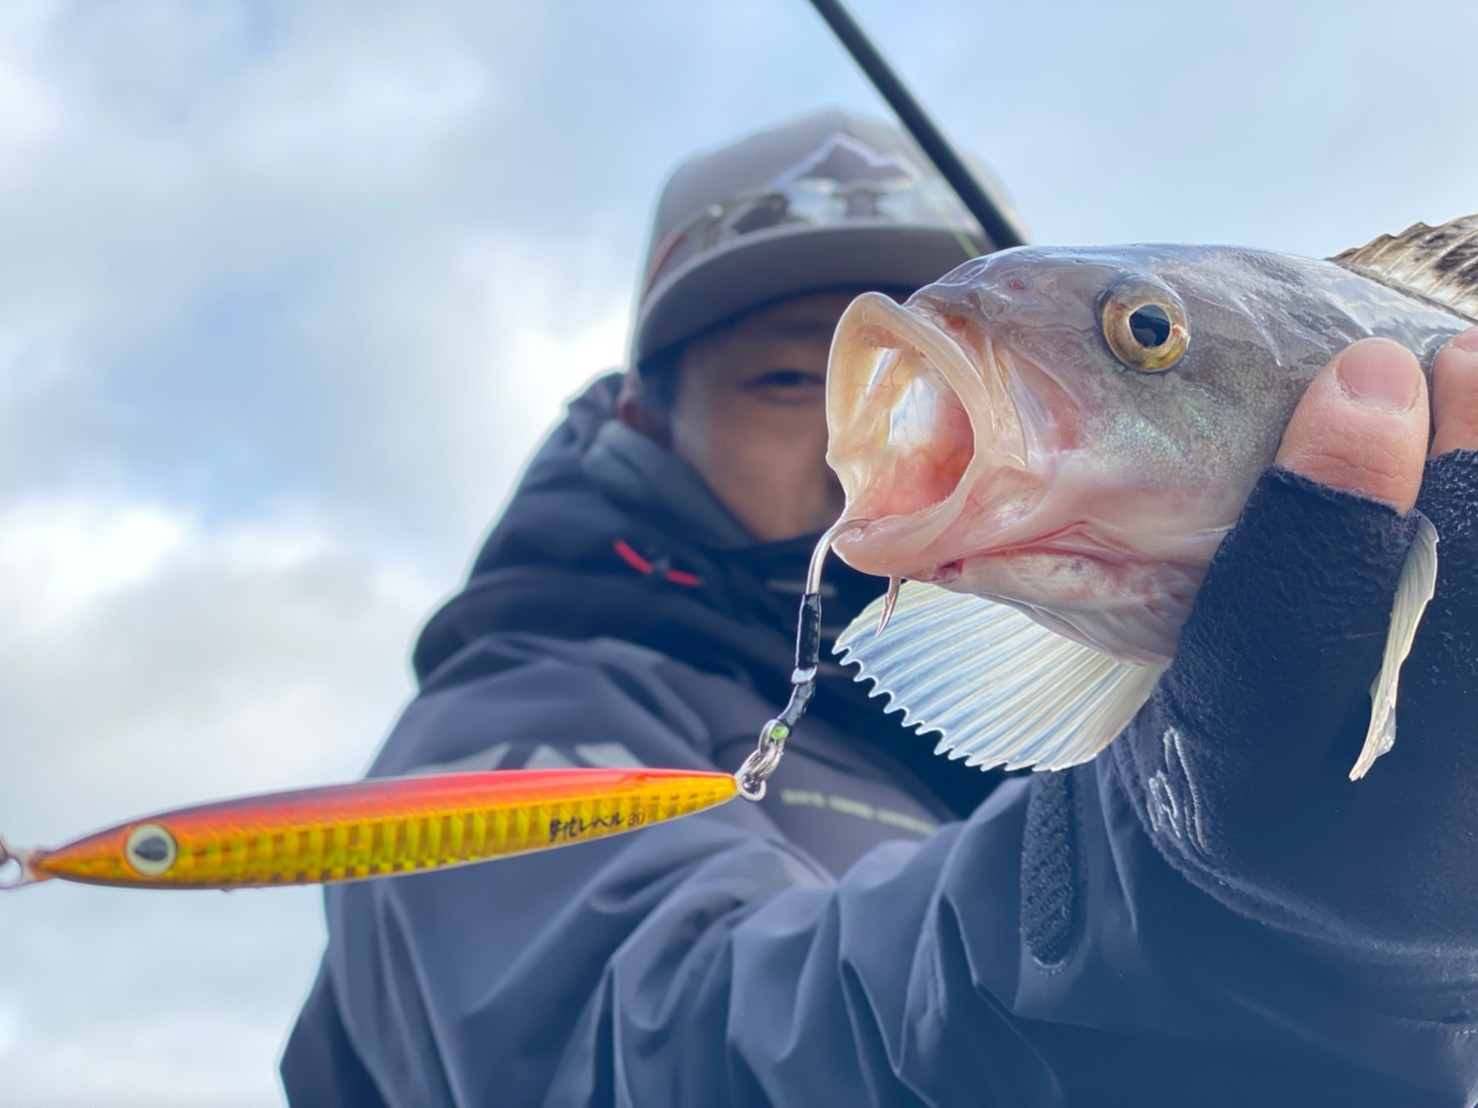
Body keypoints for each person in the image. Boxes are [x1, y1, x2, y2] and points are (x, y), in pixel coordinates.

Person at [280, 109, 1478, 1105]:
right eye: (787, 378)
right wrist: (1193, 893)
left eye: (1139, 339)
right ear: (643, 419)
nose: (856, 430)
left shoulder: (1029, 720)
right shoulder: (508, 722)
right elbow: (660, 1053)